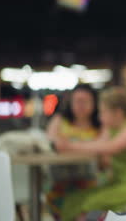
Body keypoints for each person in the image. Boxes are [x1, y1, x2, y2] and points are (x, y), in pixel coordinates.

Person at [54, 87, 126, 221]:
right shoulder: (112, 128)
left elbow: (111, 147)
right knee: (73, 199)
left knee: (88, 203)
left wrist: (70, 146)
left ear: (117, 113)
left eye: (103, 112)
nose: (100, 117)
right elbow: (98, 144)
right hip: (116, 183)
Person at [46, 84, 102, 221]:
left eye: (85, 101)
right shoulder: (59, 120)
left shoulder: (101, 124)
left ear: (94, 103)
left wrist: (68, 145)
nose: (81, 105)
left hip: (90, 183)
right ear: (70, 103)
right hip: (60, 183)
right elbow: (51, 144)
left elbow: (103, 149)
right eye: (77, 101)